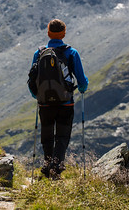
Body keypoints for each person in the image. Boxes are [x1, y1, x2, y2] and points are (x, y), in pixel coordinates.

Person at [29, 19, 88, 179]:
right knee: (62, 136)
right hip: (65, 102)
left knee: (47, 134)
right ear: (63, 33)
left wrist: (36, 94)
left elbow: (32, 78)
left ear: (48, 33)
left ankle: (47, 165)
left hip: (44, 103)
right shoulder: (71, 53)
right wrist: (82, 88)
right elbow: (81, 80)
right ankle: (56, 167)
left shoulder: (39, 53)